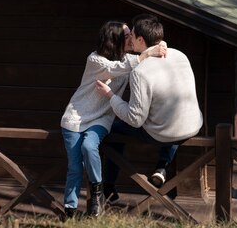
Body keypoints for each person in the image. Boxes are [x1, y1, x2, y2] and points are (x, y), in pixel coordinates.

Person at [60, 20, 167, 218]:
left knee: (89, 147)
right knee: (74, 168)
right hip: (75, 117)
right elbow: (115, 68)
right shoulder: (95, 59)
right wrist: (146, 54)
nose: (131, 38)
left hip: (102, 118)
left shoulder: (130, 59)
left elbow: (147, 54)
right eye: (126, 35)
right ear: (114, 40)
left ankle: (97, 193)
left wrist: (161, 46)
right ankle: (70, 210)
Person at [96, 14, 203, 202]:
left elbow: (135, 119)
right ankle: (162, 166)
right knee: (170, 115)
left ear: (141, 40)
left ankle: (108, 187)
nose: (129, 40)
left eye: (132, 36)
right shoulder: (180, 55)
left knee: (114, 132)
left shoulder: (140, 72)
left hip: (164, 134)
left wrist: (111, 97)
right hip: (193, 125)